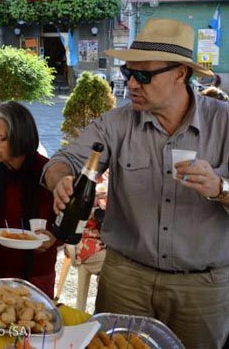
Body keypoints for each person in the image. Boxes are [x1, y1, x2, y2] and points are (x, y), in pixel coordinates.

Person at [42, 18, 229, 348]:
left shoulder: (224, 122)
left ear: (180, 74)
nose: (131, 85)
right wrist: (61, 180)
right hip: (126, 277)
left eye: (143, 75)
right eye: (128, 73)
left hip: (202, 286)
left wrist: (220, 188)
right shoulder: (118, 122)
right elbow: (63, 160)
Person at [0, 102, 58, 297]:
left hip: (36, 272)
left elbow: (66, 224)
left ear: (20, 138)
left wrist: (53, 239)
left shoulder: (48, 172)